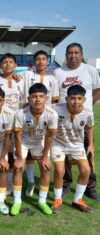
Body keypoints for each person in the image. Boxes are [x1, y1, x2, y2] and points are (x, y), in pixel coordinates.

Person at [54, 43, 100, 200]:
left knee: (87, 154)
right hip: (62, 121)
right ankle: (65, 184)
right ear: (66, 55)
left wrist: (86, 107)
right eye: (70, 53)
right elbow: (55, 95)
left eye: (76, 52)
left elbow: (97, 90)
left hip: (83, 122)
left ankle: (90, 186)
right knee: (63, 156)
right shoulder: (58, 71)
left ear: (81, 54)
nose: (73, 56)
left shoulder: (90, 70)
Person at [12, 83, 58, 215]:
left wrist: (45, 157)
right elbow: (18, 135)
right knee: (18, 168)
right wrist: (20, 158)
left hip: (39, 141)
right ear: (28, 99)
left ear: (46, 98)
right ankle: (17, 202)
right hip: (24, 142)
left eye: (41, 96)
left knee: (45, 168)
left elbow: (49, 136)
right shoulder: (20, 113)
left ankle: (42, 201)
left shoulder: (52, 114)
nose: (37, 99)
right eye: (34, 96)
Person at [20, 50, 60, 197]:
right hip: (27, 117)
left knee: (42, 156)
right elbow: (9, 73)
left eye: (44, 59)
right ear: (34, 62)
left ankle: (41, 186)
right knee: (27, 155)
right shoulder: (27, 75)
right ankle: (30, 182)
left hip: (44, 121)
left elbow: (55, 102)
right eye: (38, 59)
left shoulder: (52, 79)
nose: (41, 62)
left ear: (48, 62)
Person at [51, 85, 93, 213]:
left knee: (86, 170)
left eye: (79, 98)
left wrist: (90, 144)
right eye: (73, 98)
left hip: (76, 145)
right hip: (58, 144)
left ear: (84, 100)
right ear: (67, 98)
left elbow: (90, 128)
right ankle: (58, 199)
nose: (76, 101)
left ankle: (77, 199)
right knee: (59, 170)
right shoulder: (56, 108)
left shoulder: (88, 113)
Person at [0, 53, 25, 195]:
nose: (7, 64)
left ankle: (12, 183)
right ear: (0, 66)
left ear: (15, 65)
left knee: (13, 153)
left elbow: (25, 101)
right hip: (0, 121)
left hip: (16, 122)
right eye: (4, 62)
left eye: (10, 62)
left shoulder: (21, 81)